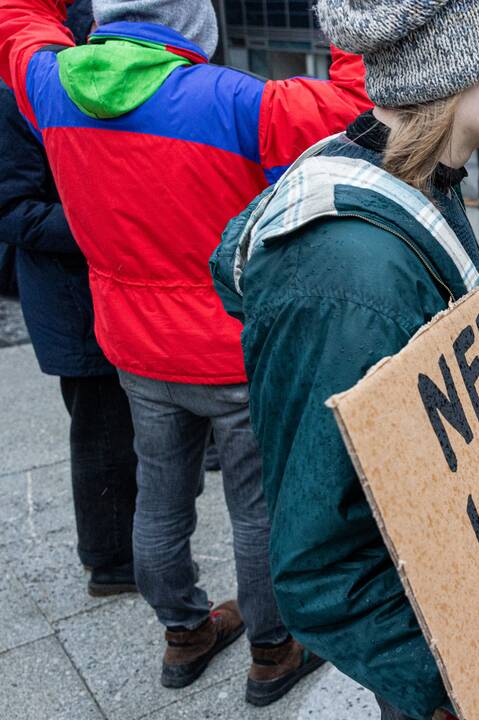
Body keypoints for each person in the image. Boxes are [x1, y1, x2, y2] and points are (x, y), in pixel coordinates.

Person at [211, 2, 479, 718]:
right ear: (466, 65)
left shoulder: (417, 180)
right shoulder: (348, 279)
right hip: (441, 667)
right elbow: (322, 571)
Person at [0, 0, 373, 705]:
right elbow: (357, 103)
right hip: (230, 354)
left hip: (133, 351)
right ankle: (271, 651)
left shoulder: (51, 85)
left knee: (160, 503)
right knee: (256, 510)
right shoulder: (233, 100)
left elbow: (18, 21)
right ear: (195, 25)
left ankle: (183, 633)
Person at [0, 0, 137, 598]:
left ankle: (127, 545)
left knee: (122, 426)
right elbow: (17, 214)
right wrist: (112, 219)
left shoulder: (86, 66)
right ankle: (109, 561)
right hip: (69, 300)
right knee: (100, 431)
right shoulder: (12, 95)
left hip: (107, 286)